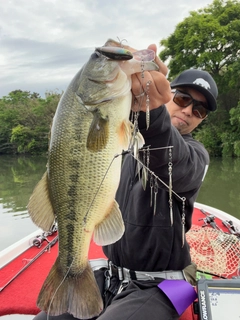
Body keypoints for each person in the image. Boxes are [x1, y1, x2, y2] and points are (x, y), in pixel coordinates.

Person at [33, 44, 218, 320]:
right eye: (182, 98)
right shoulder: (124, 140)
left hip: (170, 284)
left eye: (200, 109)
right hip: (112, 276)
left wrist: (152, 114)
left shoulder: (196, 157)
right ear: (168, 94)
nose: (190, 110)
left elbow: (170, 161)